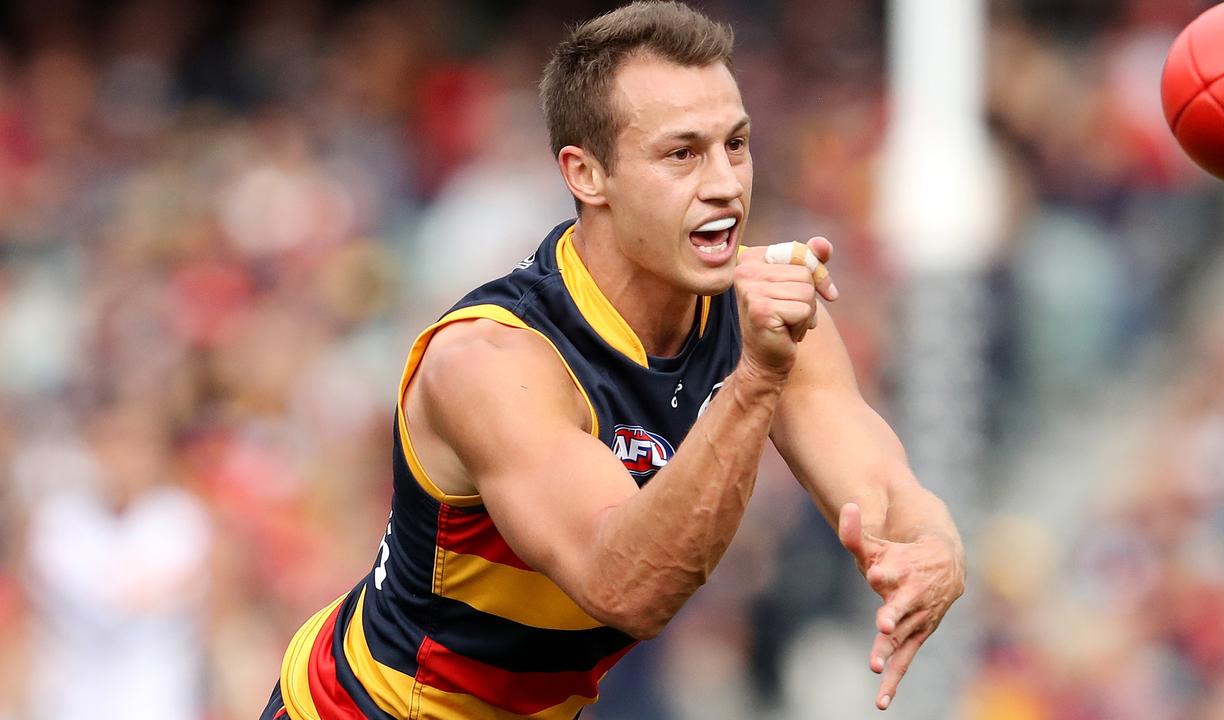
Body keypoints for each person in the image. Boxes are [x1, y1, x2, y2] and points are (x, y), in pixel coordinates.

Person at [261, 2, 964, 718]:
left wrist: (935, 551)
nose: (725, 183)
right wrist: (753, 381)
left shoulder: (761, 314)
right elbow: (628, 588)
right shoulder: (492, 360)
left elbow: (885, 493)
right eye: (681, 154)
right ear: (587, 175)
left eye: (737, 144)